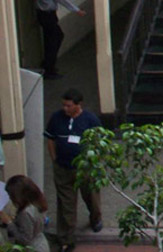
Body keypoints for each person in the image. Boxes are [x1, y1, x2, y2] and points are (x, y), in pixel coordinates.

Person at [45, 88, 102, 251]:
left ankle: (95, 218)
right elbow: (50, 139)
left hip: (85, 168)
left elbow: (100, 142)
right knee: (65, 203)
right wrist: (54, 159)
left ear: (78, 105)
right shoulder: (56, 118)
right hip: (63, 167)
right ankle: (66, 238)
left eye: (69, 106)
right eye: (64, 105)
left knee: (91, 196)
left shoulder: (90, 120)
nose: (65, 109)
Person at [36, 0, 85, 79]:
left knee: (52, 38)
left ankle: (48, 64)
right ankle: (49, 69)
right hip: (46, 14)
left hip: (46, 14)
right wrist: (76, 10)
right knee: (55, 38)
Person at [1, 175, 50, 252]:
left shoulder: (25, 213)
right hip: (41, 243)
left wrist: (9, 222)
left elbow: (25, 240)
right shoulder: (37, 202)